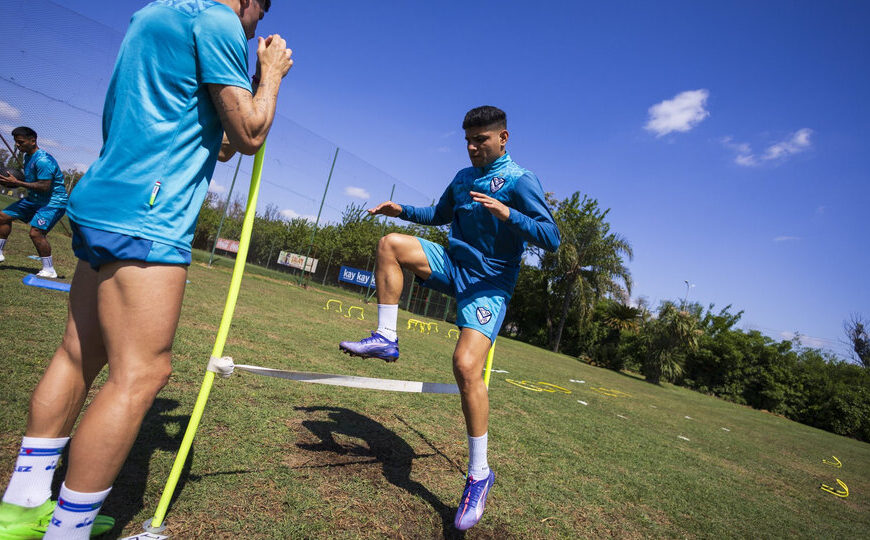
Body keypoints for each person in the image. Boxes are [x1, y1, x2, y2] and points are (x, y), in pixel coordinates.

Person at [0, 1, 291, 538]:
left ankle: (21, 507)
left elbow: (221, 144)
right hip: (149, 216)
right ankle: (68, 529)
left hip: (104, 198)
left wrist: (247, 83)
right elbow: (251, 133)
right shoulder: (219, 21)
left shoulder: (154, 13)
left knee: (79, 352)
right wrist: (269, 79)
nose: (254, 29)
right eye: (261, 12)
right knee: (143, 373)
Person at [339, 105, 561, 531]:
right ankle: (386, 336)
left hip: (490, 282)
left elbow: (550, 237)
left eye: (481, 140)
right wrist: (400, 210)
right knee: (391, 244)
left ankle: (479, 475)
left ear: (504, 138)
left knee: (464, 365)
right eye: (469, 141)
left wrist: (508, 214)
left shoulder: (520, 180)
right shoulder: (463, 178)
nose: (473, 147)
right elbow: (440, 215)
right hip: (452, 262)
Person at [0, 126, 68, 278]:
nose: (18, 145)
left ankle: (49, 270)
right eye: (16, 142)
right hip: (34, 199)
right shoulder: (27, 156)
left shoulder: (43, 160)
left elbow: (44, 186)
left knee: (36, 233)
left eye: (21, 142)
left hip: (53, 202)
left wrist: (16, 182)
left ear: (32, 141)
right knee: (3, 217)